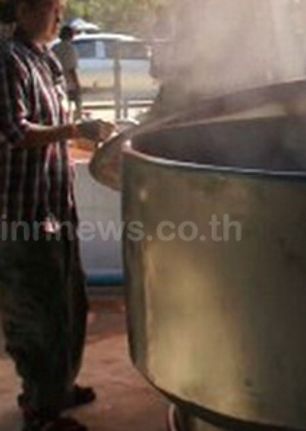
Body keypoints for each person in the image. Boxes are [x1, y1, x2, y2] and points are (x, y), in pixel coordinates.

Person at [0, 0, 115, 430]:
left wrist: (88, 137)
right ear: (27, 9)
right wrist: (73, 131)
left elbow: (58, 129)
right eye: (54, 9)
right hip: (21, 214)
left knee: (68, 303)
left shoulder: (43, 60)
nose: (60, 19)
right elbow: (15, 132)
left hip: (55, 209)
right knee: (34, 315)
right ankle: (39, 409)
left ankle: (58, 388)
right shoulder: (7, 61)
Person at [54, 25, 81, 120]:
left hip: (57, 82)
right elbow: (71, 69)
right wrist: (77, 84)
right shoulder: (70, 48)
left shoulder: (55, 47)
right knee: (76, 104)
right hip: (68, 83)